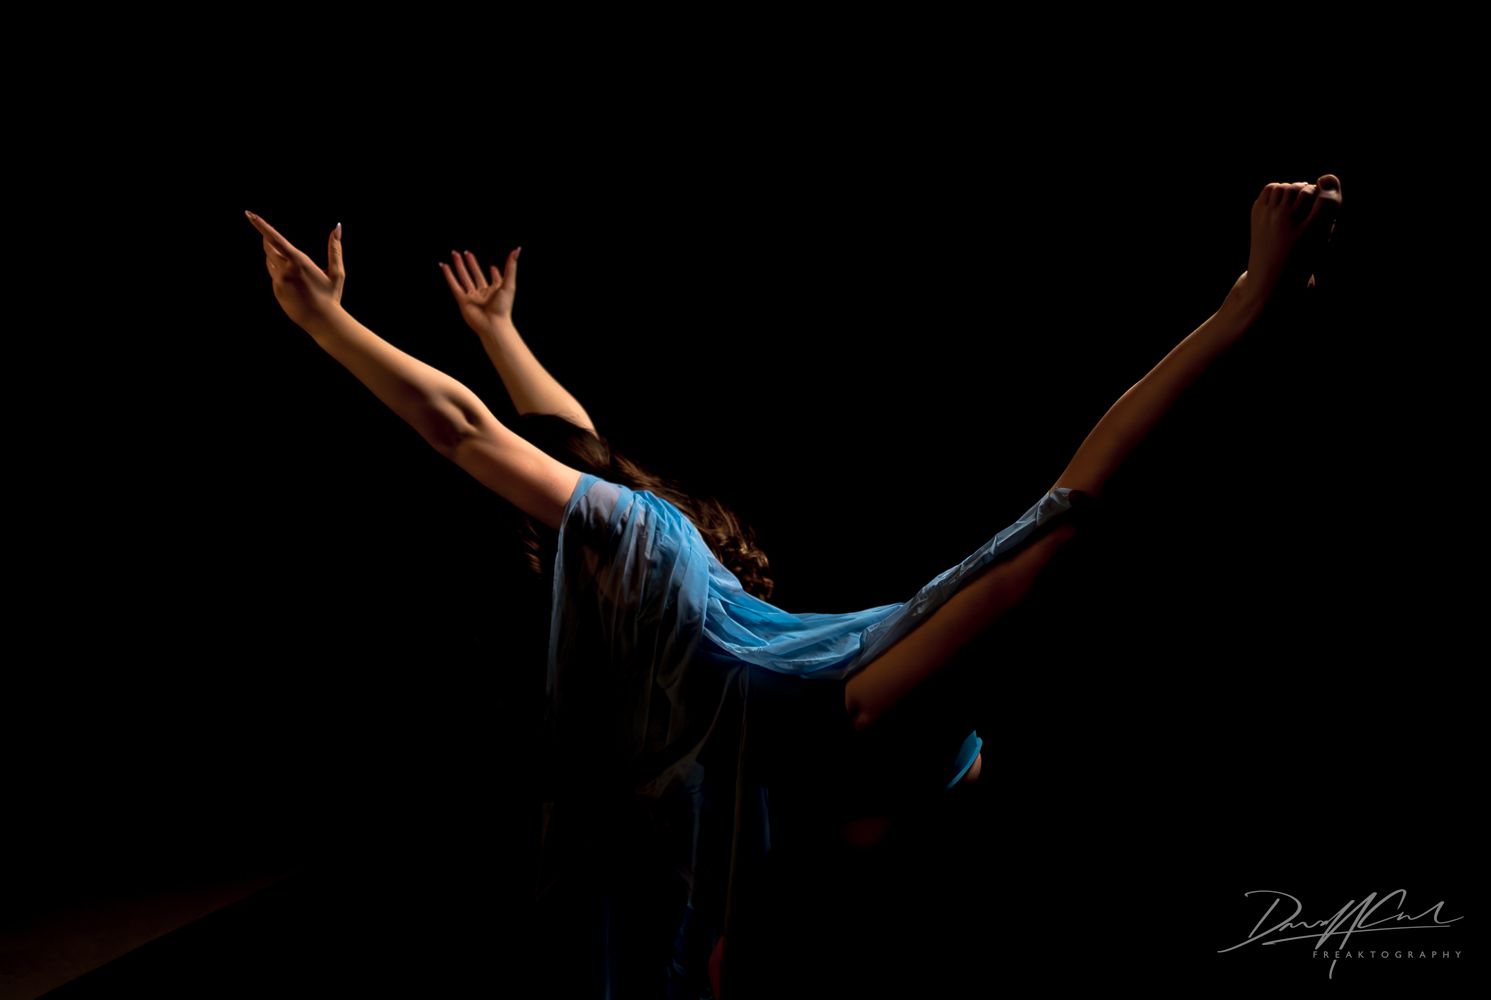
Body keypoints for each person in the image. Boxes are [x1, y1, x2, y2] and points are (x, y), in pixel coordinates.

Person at [244, 174, 1342, 997]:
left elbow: (473, 434)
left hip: (827, 712)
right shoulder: (637, 548)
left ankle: (1246, 305)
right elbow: (568, 440)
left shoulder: (640, 544)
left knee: (1054, 538)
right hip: (803, 754)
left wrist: (328, 324)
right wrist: (500, 331)